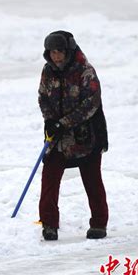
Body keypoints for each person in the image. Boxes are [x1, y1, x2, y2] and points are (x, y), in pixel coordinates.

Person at [37, 30, 109, 241]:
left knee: (92, 180)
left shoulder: (85, 71)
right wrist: (50, 120)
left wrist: (64, 123)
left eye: (59, 52)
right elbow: (43, 96)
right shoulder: (48, 71)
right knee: (49, 177)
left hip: (86, 136)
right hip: (58, 138)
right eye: (51, 52)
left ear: (68, 51)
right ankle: (49, 224)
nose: (56, 56)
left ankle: (99, 223)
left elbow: (91, 103)